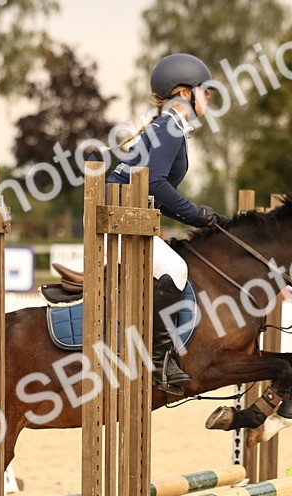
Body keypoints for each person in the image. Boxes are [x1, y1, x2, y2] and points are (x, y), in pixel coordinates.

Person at [107, 53, 225, 392]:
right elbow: (156, 183)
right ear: (184, 92)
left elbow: (154, 190)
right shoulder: (170, 126)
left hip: (127, 213)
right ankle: (158, 360)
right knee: (176, 270)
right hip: (116, 216)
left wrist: (199, 216)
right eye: (206, 92)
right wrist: (195, 212)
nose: (209, 99)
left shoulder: (169, 126)